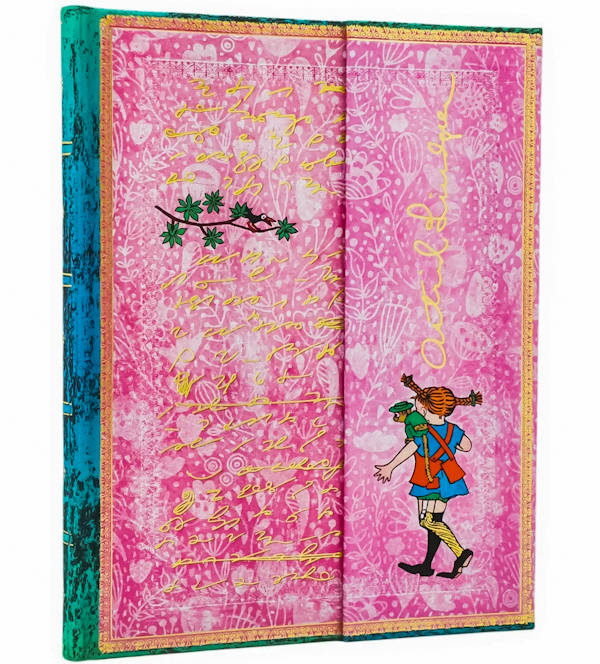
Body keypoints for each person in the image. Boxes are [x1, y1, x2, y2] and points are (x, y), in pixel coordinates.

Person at [374, 374, 483, 579]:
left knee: (426, 521)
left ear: (424, 410)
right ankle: (427, 566)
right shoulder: (452, 429)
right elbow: (467, 446)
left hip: (428, 480)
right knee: (436, 522)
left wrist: (389, 466)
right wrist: (452, 443)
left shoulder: (422, 431)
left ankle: (461, 553)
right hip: (448, 481)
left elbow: (409, 449)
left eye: (417, 408)